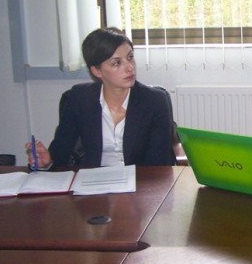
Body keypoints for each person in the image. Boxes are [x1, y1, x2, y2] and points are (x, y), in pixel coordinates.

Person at [26, 27, 176, 168]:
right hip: (93, 181)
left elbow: (159, 162)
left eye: (130, 57)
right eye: (116, 63)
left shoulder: (154, 101)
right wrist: (47, 161)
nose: (130, 67)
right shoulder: (79, 99)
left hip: (140, 180)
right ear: (97, 71)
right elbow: (61, 150)